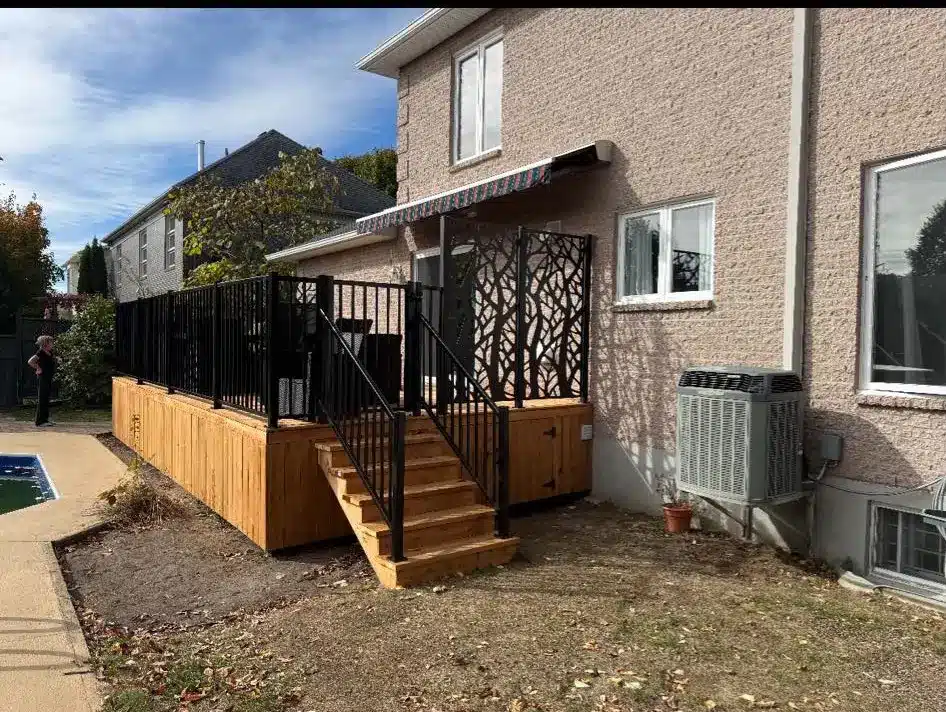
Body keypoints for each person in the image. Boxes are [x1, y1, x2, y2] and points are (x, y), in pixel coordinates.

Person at [27, 335, 56, 427]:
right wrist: (38, 368)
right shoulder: (40, 353)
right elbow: (30, 361)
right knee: (42, 398)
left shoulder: (49, 352)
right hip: (42, 377)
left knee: (46, 398)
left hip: (48, 377)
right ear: (45, 344)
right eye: (51, 342)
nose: (52, 344)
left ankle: (45, 419)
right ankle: (39, 421)